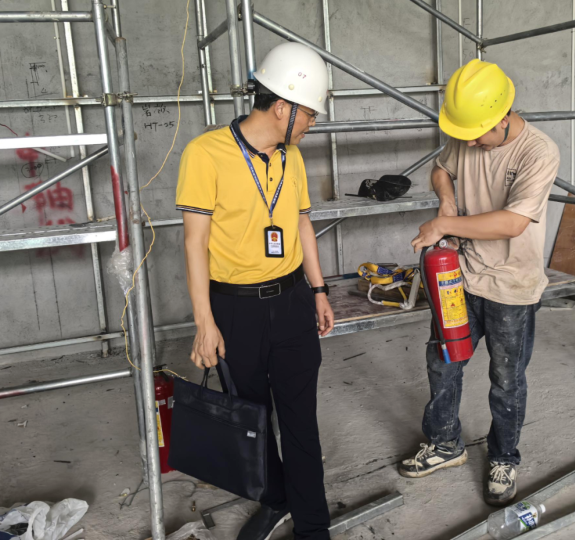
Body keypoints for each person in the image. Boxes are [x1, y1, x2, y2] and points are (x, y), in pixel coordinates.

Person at [176, 42, 334, 540]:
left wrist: (319, 289)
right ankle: (276, 498)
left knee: (301, 423)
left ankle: (313, 527)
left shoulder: (293, 158)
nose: (312, 122)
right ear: (282, 107)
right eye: (309, 112)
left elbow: (303, 224)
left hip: (291, 303)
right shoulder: (205, 154)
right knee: (253, 419)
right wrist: (204, 322)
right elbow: (194, 242)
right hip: (234, 309)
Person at [400, 60, 560, 507]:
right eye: (465, 134)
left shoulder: (538, 152)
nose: (469, 142)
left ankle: (504, 457)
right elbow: (441, 169)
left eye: (477, 134)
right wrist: (447, 201)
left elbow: (512, 222)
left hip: (512, 287)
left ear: (503, 115)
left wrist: (445, 224)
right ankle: (445, 443)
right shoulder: (469, 131)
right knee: (443, 360)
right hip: (462, 277)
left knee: (506, 379)